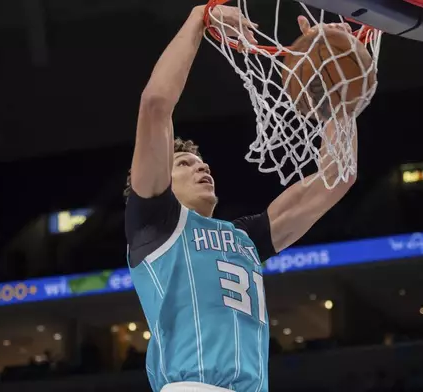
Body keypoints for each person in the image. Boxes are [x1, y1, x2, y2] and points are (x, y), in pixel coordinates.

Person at [124, 5, 358, 392]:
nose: (202, 168)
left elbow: (337, 177)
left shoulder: (243, 239)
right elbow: (155, 105)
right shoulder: (155, 223)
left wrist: (335, 84)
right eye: (184, 163)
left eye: (202, 162)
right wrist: (200, 16)